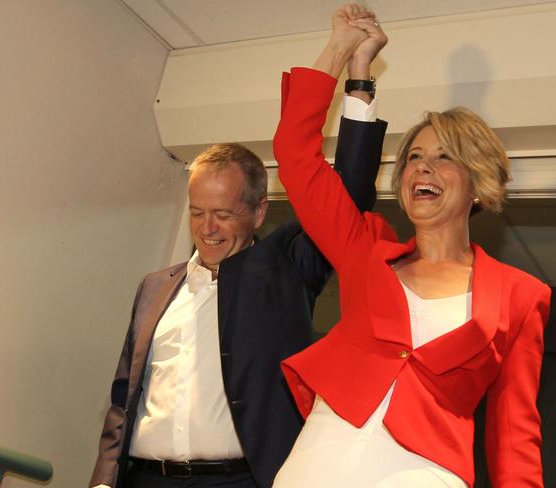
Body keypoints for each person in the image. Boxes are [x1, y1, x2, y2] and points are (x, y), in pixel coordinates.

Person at [88, 9, 388, 487]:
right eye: (197, 211)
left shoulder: (287, 266)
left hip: (237, 481)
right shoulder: (153, 288)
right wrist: (103, 481)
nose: (207, 228)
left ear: (258, 212)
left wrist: (356, 74)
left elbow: (348, 194)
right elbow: (124, 397)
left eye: (224, 214)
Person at [272, 5, 552, 488]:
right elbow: (296, 157)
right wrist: (343, 51)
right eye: (415, 158)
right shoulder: (366, 251)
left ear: (479, 186)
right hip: (317, 466)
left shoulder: (522, 296)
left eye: (444, 158)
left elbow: (514, 436)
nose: (422, 168)